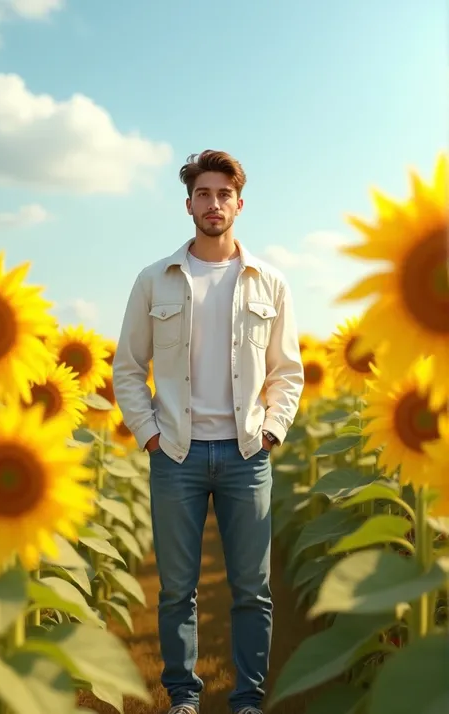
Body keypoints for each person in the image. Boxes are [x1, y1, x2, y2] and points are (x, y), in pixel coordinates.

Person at [113, 149, 304, 714]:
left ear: (239, 204)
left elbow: (286, 370)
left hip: (248, 452)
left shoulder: (270, 282)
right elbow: (128, 367)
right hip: (176, 453)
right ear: (189, 204)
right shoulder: (155, 280)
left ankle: (247, 698)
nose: (214, 203)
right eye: (204, 193)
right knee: (176, 590)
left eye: (224, 194)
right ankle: (183, 698)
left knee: (252, 590)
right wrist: (149, 433)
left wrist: (272, 430)